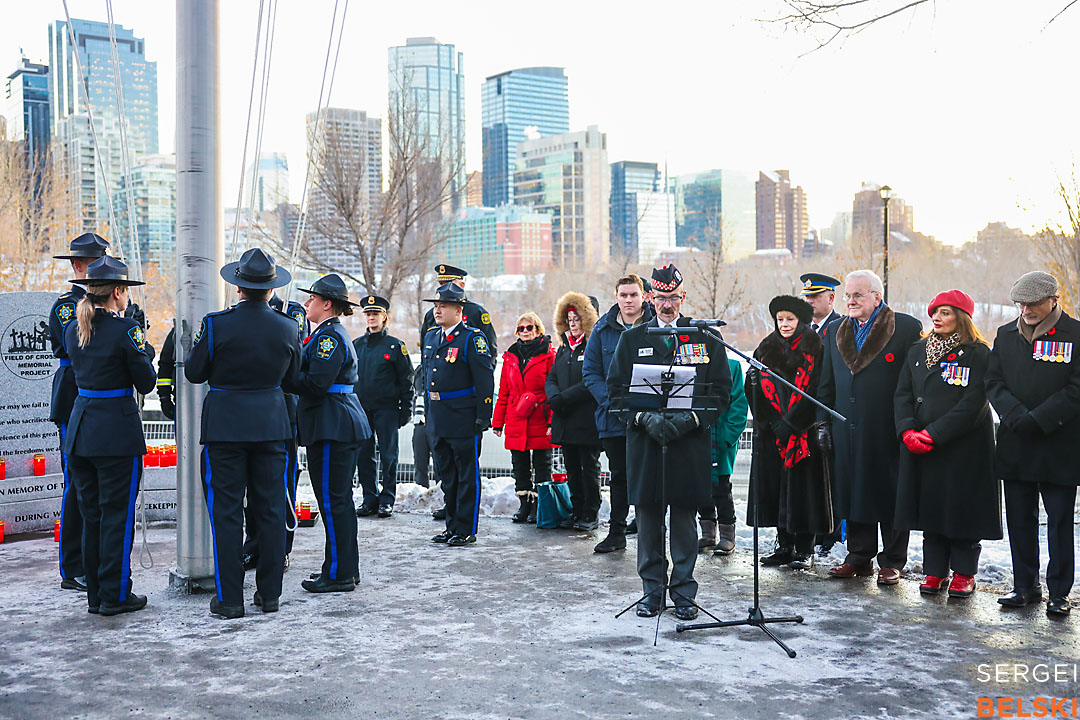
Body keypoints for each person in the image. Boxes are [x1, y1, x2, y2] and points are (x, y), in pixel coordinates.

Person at [607, 264, 731, 620]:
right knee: (647, 521)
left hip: (687, 443)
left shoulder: (704, 338)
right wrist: (641, 418)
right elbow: (615, 391)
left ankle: (684, 593)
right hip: (646, 444)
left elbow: (720, 391)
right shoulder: (633, 340)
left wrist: (691, 418)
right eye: (660, 298)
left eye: (673, 298)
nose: (667, 305)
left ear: (683, 297)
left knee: (683, 523)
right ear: (650, 298)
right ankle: (651, 592)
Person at [185, 249, 301, 618]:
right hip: (270, 426)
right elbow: (295, 379)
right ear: (270, 289)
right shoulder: (288, 326)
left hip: (226, 429)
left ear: (237, 287)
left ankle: (230, 598)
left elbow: (194, 372)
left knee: (227, 513)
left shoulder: (217, 324)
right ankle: (270, 595)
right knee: (269, 511)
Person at [816, 269, 922, 585]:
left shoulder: (904, 327)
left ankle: (892, 561)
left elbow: (913, 382)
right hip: (846, 427)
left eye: (857, 295)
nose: (850, 301)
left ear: (876, 296)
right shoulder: (835, 329)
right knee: (854, 491)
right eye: (847, 295)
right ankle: (859, 557)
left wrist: (910, 423)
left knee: (890, 493)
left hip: (888, 427)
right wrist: (823, 422)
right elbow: (827, 381)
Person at [63, 256, 155, 616]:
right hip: (115, 434)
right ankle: (115, 595)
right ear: (117, 292)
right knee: (116, 516)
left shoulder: (74, 327)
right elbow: (145, 381)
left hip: (82, 430)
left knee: (93, 517)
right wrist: (143, 348)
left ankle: (96, 596)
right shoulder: (125, 330)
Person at [894, 290, 1000, 599]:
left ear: (962, 318)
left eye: (946, 313)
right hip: (921, 446)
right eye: (935, 312)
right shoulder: (917, 351)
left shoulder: (979, 353)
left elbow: (974, 403)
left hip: (963, 449)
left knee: (961, 512)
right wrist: (907, 431)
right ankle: (935, 571)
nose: (937, 318)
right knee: (931, 511)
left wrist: (934, 434)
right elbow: (902, 394)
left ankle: (964, 573)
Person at [986, 271, 1080, 616]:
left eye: (1033, 303)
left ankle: (1059, 592)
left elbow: (1076, 388)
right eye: (1021, 303)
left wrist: (1039, 418)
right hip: (1017, 443)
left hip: (1059, 445)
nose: (1025, 309)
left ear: (1053, 300)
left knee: (1058, 523)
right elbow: (993, 382)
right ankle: (1025, 587)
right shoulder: (1005, 335)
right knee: (1021, 520)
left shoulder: (1075, 334)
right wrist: (1015, 415)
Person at [292, 274, 370, 592]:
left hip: (332, 425)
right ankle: (341, 568)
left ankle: (339, 573)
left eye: (312, 298)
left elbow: (316, 384)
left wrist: (285, 377)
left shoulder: (329, 337)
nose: (307, 302)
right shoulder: (326, 333)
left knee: (333, 500)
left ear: (326, 304)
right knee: (336, 501)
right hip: (334, 423)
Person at [747, 295, 833, 570]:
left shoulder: (815, 347)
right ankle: (783, 545)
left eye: (790, 320)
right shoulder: (766, 347)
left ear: (801, 321)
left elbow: (817, 390)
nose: (784, 324)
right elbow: (754, 386)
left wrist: (794, 423)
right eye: (780, 319)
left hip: (803, 435)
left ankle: (804, 549)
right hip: (773, 433)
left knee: (803, 493)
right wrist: (771, 420)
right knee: (777, 492)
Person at [49, 232, 110, 593]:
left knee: (96, 485)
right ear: (77, 267)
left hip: (99, 398)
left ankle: (94, 559)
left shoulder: (102, 308)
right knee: (77, 484)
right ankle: (73, 565)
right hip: (75, 393)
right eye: (94, 263)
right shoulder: (67, 306)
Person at [583, 274, 655, 552]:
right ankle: (617, 532)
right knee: (619, 476)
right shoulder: (602, 329)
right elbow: (590, 372)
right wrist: (613, 403)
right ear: (616, 297)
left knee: (649, 473)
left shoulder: (655, 325)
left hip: (649, 416)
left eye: (633, 295)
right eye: (623, 295)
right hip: (614, 418)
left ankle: (650, 530)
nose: (628, 300)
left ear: (644, 297)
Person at [418, 263, 496, 522]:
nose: (437, 310)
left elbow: (484, 378)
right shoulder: (431, 336)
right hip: (438, 415)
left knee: (466, 475)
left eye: (444, 306)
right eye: (436, 306)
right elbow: (429, 374)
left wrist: (483, 415)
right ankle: (451, 524)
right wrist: (428, 412)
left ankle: (464, 528)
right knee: (447, 475)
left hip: (462, 414)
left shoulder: (472, 337)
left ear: (459, 310)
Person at [242, 292, 308, 572]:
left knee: (280, 486)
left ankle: (280, 548)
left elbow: (295, 357)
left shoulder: (290, 312)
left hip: (282, 412)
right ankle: (253, 544)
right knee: (250, 490)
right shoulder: (239, 313)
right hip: (250, 412)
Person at [545, 292, 603, 531]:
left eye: (577, 319)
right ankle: (577, 510)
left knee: (588, 467)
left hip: (585, 419)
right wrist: (554, 397)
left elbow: (591, 381)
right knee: (571, 468)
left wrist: (563, 398)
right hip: (565, 418)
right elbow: (552, 377)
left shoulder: (592, 347)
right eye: (569, 319)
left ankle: (590, 513)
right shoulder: (564, 348)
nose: (573, 324)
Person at [353, 295, 413, 519]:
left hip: (387, 410)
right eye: (368, 314)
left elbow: (406, 380)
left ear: (384, 317)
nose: (371, 317)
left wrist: (405, 410)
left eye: (375, 313)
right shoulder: (357, 345)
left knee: (389, 455)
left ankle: (387, 499)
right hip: (362, 410)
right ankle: (370, 498)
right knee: (364, 455)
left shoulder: (396, 346)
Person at [493, 312, 556, 523]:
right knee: (519, 465)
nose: (526, 332)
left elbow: (554, 389)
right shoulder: (510, 356)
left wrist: (552, 420)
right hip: (516, 416)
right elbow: (503, 392)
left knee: (542, 465)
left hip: (540, 414)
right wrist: (497, 422)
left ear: (538, 330)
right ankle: (524, 505)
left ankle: (540, 505)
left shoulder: (549, 355)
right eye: (521, 329)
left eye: (530, 328)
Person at [801, 272, 843, 555]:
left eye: (815, 297)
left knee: (834, 479)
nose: (810, 302)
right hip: (805, 416)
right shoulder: (803, 329)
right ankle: (812, 532)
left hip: (830, 410)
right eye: (807, 297)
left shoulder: (841, 328)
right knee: (811, 478)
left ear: (830, 298)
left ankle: (832, 536)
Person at [700, 356, 747, 554]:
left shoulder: (733, 366)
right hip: (699, 437)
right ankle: (707, 534)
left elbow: (739, 404)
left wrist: (727, 437)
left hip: (720, 438)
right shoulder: (696, 363)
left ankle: (728, 535)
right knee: (700, 487)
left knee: (721, 487)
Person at [801, 273, 843, 337]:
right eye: (807, 296)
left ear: (830, 298)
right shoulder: (800, 327)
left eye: (814, 296)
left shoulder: (842, 326)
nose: (809, 301)